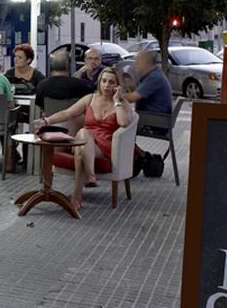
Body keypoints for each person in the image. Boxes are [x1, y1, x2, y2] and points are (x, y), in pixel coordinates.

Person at [39, 67, 133, 211]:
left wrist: (117, 101)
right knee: (83, 134)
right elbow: (67, 113)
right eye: (104, 81)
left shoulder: (123, 104)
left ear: (118, 85)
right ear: (99, 82)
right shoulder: (90, 98)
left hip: (103, 147)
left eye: (111, 82)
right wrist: (47, 121)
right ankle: (90, 176)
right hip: (84, 139)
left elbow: (124, 122)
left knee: (80, 152)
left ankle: (77, 196)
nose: (106, 85)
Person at [124, 50, 172, 116]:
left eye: (138, 62)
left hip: (154, 117)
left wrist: (116, 96)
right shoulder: (152, 75)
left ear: (146, 63)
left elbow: (133, 97)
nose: (135, 65)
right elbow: (139, 93)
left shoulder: (154, 78)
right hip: (152, 115)